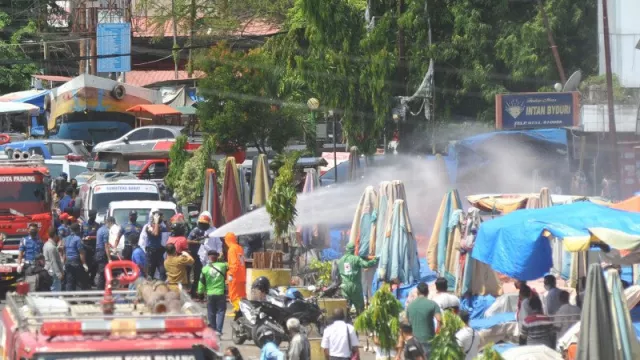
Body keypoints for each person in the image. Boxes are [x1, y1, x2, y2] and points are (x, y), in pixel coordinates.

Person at [337, 242, 378, 313]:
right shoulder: (356, 259)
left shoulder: (340, 260)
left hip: (344, 287)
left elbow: (338, 274)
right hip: (355, 286)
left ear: (346, 249)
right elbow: (366, 264)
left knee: (346, 308)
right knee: (360, 308)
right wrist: (375, 260)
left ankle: (346, 321)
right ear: (354, 250)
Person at [406, 282, 441, 356]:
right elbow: (439, 320)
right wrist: (438, 333)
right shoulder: (432, 304)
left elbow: (407, 322)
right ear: (427, 292)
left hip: (415, 340)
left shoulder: (410, 306)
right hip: (429, 339)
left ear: (417, 292)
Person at [198, 250, 228, 335]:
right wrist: (221, 259)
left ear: (208, 257)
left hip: (210, 293)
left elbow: (201, 282)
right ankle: (218, 331)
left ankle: (213, 330)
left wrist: (200, 293)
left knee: (211, 312)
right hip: (220, 293)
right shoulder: (223, 266)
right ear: (217, 257)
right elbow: (229, 266)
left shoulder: (205, 269)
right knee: (221, 312)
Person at [187, 212, 215, 298]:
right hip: (196, 255)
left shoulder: (210, 230)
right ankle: (194, 292)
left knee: (206, 274)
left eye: (204, 223)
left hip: (205, 256)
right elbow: (188, 240)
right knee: (197, 274)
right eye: (201, 223)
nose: (202, 225)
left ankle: (203, 292)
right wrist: (198, 242)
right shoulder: (196, 230)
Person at [225, 233, 246, 312]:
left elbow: (234, 264)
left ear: (227, 240)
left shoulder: (231, 249)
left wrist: (230, 275)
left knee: (233, 293)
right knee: (241, 294)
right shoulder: (239, 247)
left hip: (234, 275)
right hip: (241, 274)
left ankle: (237, 310)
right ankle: (241, 309)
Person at [64, 223, 88, 291]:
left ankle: (70, 299)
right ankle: (81, 298)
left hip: (68, 261)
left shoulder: (66, 238)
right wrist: (84, 263)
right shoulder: (78, 239)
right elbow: (81, 252)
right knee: (80, 281)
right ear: (78, 230)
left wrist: (64, 262)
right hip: (76, 262)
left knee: (69, 281)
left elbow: (64, 251)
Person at [145, 209, 167, 281]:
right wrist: (156, 222)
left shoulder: (160, 226)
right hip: (151, 253)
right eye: (158, 217)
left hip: (159, 253)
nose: (160, 218)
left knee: (162, 272)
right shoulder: (148, 227)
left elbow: (169, 230)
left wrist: (165, 222)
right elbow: (155, 233)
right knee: (150, 274)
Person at [43, 226, 64, 291]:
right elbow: (53, 262)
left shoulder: (46, 244)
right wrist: (59, 274)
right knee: (55, 290)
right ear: (55, 235)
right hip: (54, 273)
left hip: (48, 271)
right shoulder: (52, 247)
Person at [95, 217, 114, 290]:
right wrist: (109, 258)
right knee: (103, 273)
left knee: (101, 272)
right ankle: (100, 291)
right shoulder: (106, 231)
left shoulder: (100, 229)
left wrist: (111, 247)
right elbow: (105, 245)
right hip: (102, 253)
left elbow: (104, 242)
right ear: (110, 222)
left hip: (98, 252)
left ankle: (101, 289)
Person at [83, 210, 100, 286]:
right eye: (94, 215)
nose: (95, 217)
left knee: (95, 264)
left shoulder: (97, 225)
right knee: (86, 264)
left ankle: (92, 280)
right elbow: (80, 235)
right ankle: (86, 281)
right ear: (90, 216)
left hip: (94, 247)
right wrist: (84, 238)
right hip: (86, 247)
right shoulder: (84, 225)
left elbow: (98, 236)